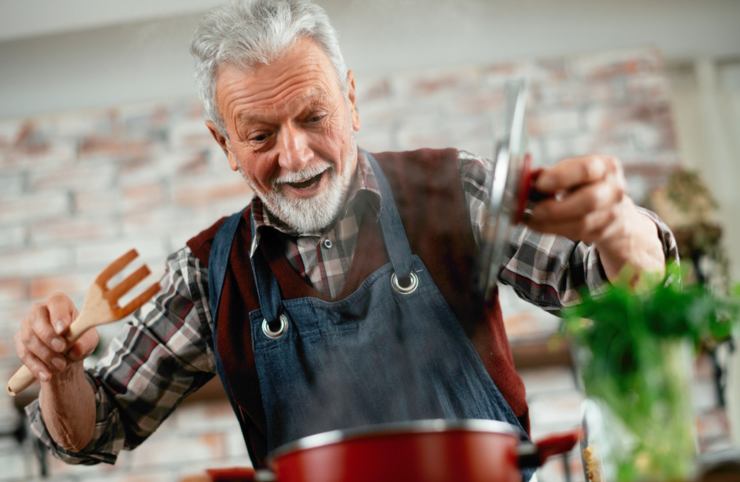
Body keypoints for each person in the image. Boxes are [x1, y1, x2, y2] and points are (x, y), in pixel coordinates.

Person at [15, 0, 676, 473]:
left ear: (352, 101)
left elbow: (621, 285)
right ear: (223, 144)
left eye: (314, 116)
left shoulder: (454, 191)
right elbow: (94, 432)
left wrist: (616, 222)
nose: (297, 156)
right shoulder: (208, 273)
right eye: (261, 136)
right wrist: (61, 371)